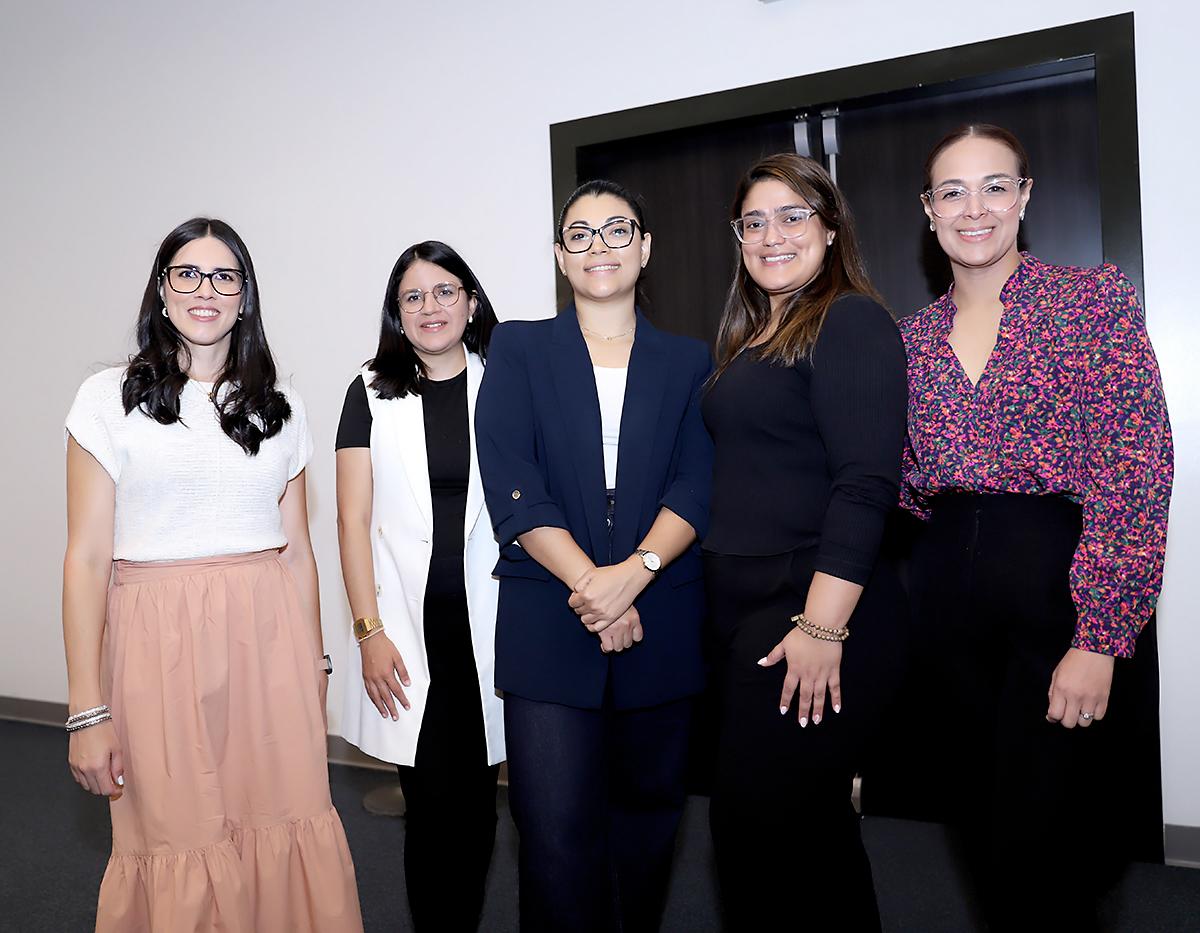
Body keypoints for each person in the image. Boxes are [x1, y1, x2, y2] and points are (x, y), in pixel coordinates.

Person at [901, 123, 1173, 931]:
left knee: (1052, 840)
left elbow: (1136, 466)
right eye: (952, 191)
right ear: (928, 210)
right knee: (982, 833)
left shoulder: (1092, 302)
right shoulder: (910, 341)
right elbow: (908, 485)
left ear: (1024, 196)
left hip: (1062, 597)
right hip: (947, 601)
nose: (972, 207)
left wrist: (1101, 634)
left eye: (993, 186)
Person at [62, 217, 363, 932]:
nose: (206, 289)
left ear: (244, 295)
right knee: (176, 836)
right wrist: (86, 708)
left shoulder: (279, 403)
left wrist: (315, 662)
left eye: (224, 275)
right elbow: (86, 557)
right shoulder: (107, 399)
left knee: (283, 819)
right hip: (154, 645)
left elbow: (297, 549)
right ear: (161, 291)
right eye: (187, 274)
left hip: (268, 644)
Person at [474, 179, 712, 933]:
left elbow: (698, 481)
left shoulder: (690, 360)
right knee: (553, 834)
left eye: (617, 230)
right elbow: (511, 480)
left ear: (645, 248)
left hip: (662, 609)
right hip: (551, 611)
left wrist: (633, 574)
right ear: (559, 256)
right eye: (579, 234)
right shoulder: (519, 346)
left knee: (647, 825)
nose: (599, 246)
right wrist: (593, 585)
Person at [701, 153, 908, 932]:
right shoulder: (758, 334)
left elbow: (864, 485)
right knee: (807, 836)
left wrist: (822, 627)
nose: (771, 234)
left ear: (829, 228)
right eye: (754, 221)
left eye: (792, 216)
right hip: (754, 616)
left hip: (810, 612)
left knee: (759, 837)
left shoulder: (850, 318)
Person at [335, 240, 504, 932]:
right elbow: (351, 519)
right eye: (413, 296)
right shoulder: (370, 388)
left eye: (444, 290)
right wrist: (369, 631)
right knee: (430, 805)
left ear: (470, 300)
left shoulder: (507, 378)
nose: (430, 307)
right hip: (408, 632)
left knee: (479, 805)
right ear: (397, 314)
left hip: (494, 629)